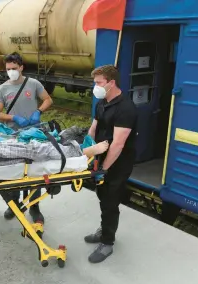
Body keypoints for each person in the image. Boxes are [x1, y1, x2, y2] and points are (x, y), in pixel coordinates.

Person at [85, 65, 137, 264]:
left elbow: (118, 144)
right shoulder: (102, 102)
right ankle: (104, 228)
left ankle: (107, 242)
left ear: (111, 83)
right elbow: (94, 127)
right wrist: (86, 150)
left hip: (118, 162)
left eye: (98, 83)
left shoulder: (126, 108)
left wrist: (104, 169)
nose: (95, 86)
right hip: (102, 157)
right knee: (102, 195)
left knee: (110, 200)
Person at [0, 52, 53, 224]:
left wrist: (38, 111)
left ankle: (34, 207)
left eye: (14, 68)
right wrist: (13, 118)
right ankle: (15, 204)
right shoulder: (2, 89)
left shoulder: (33, 84)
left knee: (34, 171)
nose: (11, 71)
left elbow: (48, 100)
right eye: (8, 69)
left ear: (21, 67)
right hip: (12, 136)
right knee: (14, 170)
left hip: (33, 134)